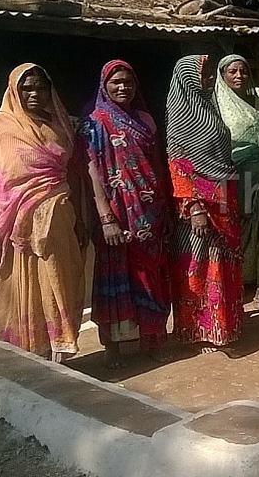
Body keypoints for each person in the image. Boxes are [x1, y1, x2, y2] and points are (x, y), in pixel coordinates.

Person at [0, 64, 86, 363]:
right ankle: (30, 354)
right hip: (15, 227)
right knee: (21, 290)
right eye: (26, 88)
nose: (34, 94)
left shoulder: (62, 125)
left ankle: (60, 350)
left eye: (41, 87)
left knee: (61, 284)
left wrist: (82, 219)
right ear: (14, 91)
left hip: (59, 221)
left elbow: (75, 173)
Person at [80, 60, 171, 368]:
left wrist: (165, 207)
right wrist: (106, 217)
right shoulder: (95, 122)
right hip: (115, 213)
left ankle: (153, 338)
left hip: (150, 213)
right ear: (104, 86)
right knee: (114, 277)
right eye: (116, 82)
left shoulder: (145, 119)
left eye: (128, 82)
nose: (123, 87)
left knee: (151, 276)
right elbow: (92, 171)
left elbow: (157, 162)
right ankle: (113, 348)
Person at [164, 55, 243, 353]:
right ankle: (198, 331)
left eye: (211, 75)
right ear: (187, 79)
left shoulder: (211, 111)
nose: (209, 79)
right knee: (198, 268)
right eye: (204, 74)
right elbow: (178, 165)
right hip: (199, 208)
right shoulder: (180, 117)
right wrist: (194, 208)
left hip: (224, 203)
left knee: (222, 267)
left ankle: (224, 327)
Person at [215, 54, 259, 310]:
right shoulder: (217, 103)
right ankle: (236, 297)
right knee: (239, 235)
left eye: (243, 71)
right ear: (222, 76)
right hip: (236, 176)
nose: (239, 76)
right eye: (232, 71)